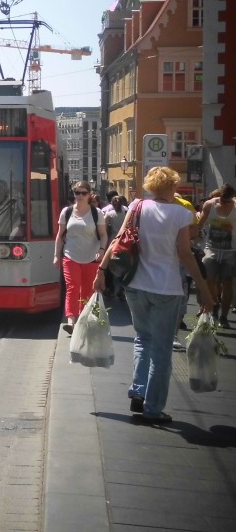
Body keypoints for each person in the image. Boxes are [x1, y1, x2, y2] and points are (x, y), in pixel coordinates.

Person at [94, 166, 215, 425]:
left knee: (143, 340)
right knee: (161, 350)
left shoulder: (137, 206)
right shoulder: (181, 214)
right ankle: (153, 408)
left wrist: (101, 271)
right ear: (172, 187)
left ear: (150, 186)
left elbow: (117, 241)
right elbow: (184, 254)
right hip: (167, 289)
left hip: (135, 286)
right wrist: (204, 289)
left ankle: (138, 391)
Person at [54, 181, 107, 335]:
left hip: (92, 257)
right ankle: (71, 321)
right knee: (72, 287)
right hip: (70, 256)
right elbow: (60, 235)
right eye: (77, 193)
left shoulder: (97, 213)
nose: (80, 196)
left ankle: (84, 321)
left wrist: (102, 250)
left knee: (87, 291)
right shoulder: (67, 212)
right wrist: (56, 255)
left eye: (84, 193)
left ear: (89, 194)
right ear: (74, 194)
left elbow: (103, 235)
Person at [199, 183, 235, 328]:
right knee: (209, 279)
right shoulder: (210, 205)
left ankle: (224, 316)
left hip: (231, 251)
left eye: (228, 201)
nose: (224, 203)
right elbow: (200, 223)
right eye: (222, 199)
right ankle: (214, 306)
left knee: (228, 283)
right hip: (211, 249)